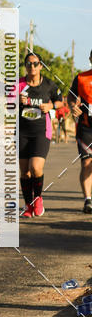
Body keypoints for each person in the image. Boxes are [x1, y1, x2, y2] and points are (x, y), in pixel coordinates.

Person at [18, 52, 63, 218]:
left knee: (35, 167)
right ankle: (28, 206)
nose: (32, 67)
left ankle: (38, 199)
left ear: (41, 66)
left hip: (41, 132)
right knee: (25, 172)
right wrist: (17, 100)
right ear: (25, 66)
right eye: (29, 64)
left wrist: (51, 106)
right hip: (22, 132)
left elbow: (60, 101)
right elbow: (7, 101)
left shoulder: (49, 85)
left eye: (35, 64)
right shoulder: (19, 84)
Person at [67, 50, 92, 214]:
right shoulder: (81, 77)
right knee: (87, 163)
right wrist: (72, 106)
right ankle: (88, 200)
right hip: (86, 128)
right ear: (90, 58)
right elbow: (70, 95)